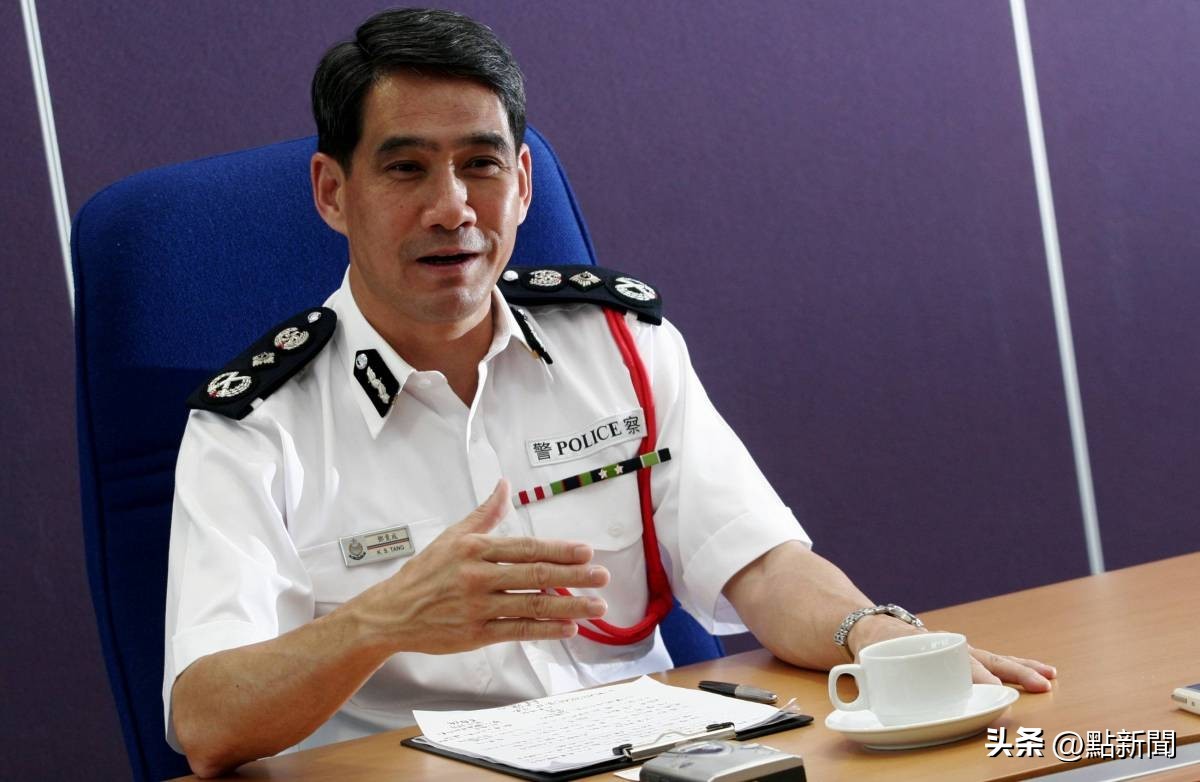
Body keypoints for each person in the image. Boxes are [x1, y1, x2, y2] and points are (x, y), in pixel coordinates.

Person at [163, 7, 1056, 777]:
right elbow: (205, 723)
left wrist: (871, 633)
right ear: (333, 192)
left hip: (657, 764)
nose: (452, 208)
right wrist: (381, 622)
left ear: (522, 184)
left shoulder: (620, 346)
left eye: (480, 164)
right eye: (407, 169)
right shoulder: (256, 424)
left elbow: (761, 565)